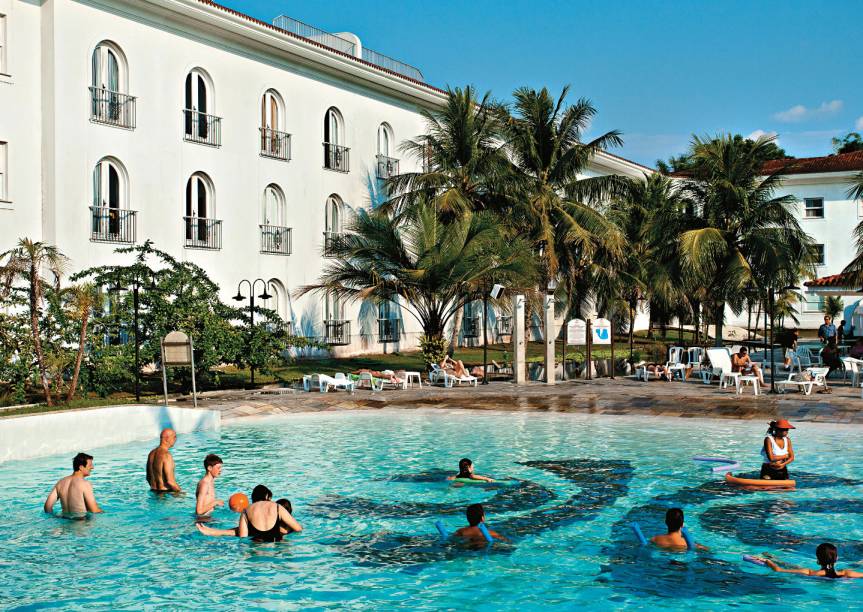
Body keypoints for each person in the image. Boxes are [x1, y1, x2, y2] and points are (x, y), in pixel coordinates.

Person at [197, 485, 301, 542]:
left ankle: (213, 531)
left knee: (239, 531)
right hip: (275, 547)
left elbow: (243, 537)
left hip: (256, 550)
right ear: (266, 497)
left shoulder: (246, 510)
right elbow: (298, 529)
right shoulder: (277, 507)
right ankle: (214, 532)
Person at [754, 543, 863, 578]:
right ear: (837, 559)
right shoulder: (847, 573)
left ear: (818, 559)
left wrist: (768, 562)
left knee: (795, 568)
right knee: (796, 568)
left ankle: (774, 558)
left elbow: (778, 570)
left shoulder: (810, 572)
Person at [146, 428, 181, 493]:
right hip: (165, 495)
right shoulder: (166, 455)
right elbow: (170, 482)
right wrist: (181, 494)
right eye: (174, 437)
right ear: (167, 438)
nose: (176, 439)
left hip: (153, 492)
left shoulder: (151, 453)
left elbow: (148, 478)